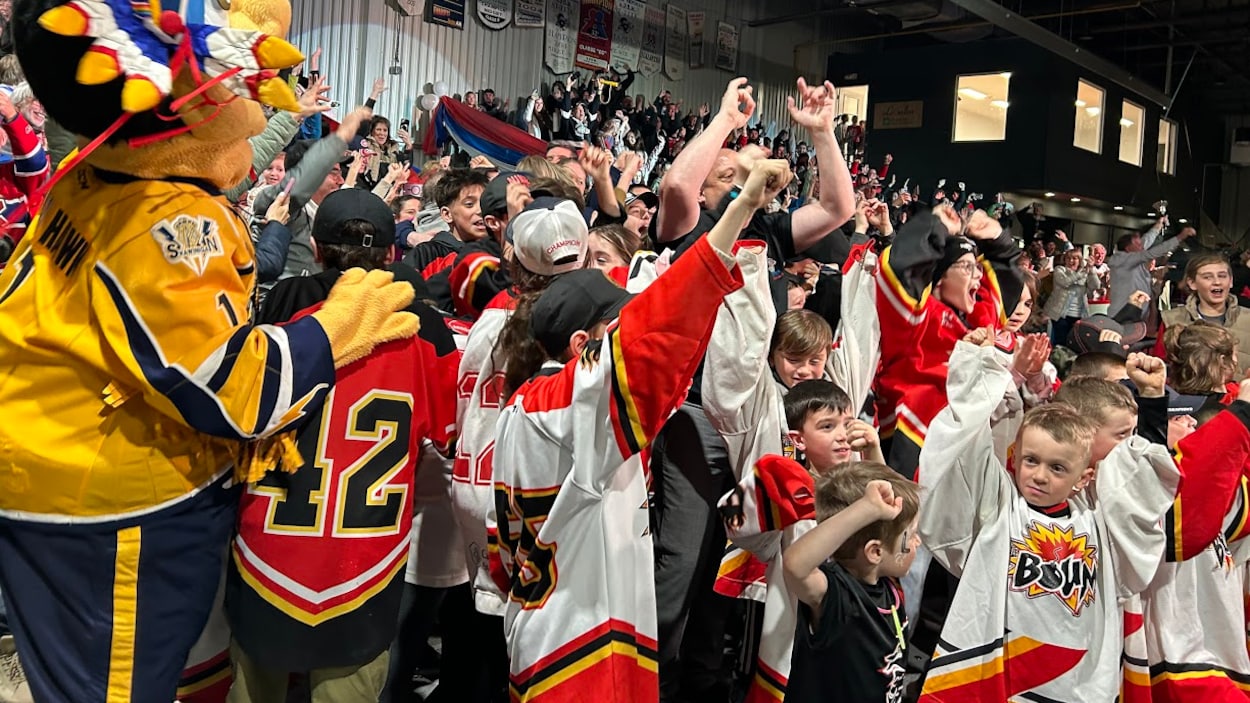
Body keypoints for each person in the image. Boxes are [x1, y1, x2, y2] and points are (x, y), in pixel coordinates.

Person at [487, 159, 789, 703]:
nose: (628, 331)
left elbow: (498, 552)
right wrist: (740, 207)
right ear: (582, 346)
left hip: (543, 622)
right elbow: (666, 324)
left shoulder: (523, 405)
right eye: (615, 325)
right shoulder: (573, 405)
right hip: (577, 648)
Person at [226, 189, 458, 702]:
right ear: (392, 255)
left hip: (269, 547)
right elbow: (445, 434)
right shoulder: (429, 329)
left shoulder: (283, 305)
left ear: (317, 248)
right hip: (364, 561)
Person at [916, 332, 1179, 701]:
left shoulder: (1102, 518)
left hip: (1082, 683)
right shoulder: (999, 508)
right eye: (1031, 461)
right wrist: (983, 366)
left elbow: (1143, 487)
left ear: (1084, 473)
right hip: (1007, 678)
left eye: (1056, 467)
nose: (1039, 475)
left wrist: (1153, 401)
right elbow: (961, 444)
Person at [781, 463, 920, 703]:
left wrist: (875, 454)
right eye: (911, 535)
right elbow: (795, 566)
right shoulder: (837, 595)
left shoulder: (885, 579)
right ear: (875, 551)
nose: (917, 541)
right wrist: (866, 508)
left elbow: (887, 518)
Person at [1155, 253, 1250, 374]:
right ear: (1192, 283)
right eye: (1207, 277)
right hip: (1186, 392)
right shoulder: (1172, 320)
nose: (1217, 282)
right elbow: (1160, 369)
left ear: (1230, 281)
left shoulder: (1248, 319)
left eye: (1222, 276)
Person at [1108, 218, 1193, 321]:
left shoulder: (1132, 258)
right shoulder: (1122, 260)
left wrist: (1158, 225)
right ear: (1128, 248)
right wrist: (1180, 237)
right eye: (1138, 244)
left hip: (1137, 315)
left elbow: (1146, 240)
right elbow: (1153, 252)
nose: (1142, 247)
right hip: (1123, 316)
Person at [1044, 248, 1101, 348]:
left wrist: (1091, 270)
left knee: (1074, 343)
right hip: (1061, 315)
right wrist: (1082, 274)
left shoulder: (1085, 272)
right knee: (1060, 343)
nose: (1071, 261)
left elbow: (1096, 286)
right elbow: (1065, 282)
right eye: (1068, 258)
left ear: (1080, 260)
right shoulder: (1060, 270)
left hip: (1080, 315)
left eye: (1074, 258)